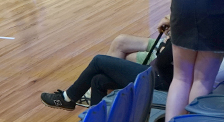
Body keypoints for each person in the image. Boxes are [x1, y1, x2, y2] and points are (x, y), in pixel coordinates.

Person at [41, 40, 173, 109]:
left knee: (99, 61)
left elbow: (162, 61)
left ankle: (68, 98)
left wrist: (163, 45)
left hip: (158, 78)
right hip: (157, 75)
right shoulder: (187, 26)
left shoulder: (185, 30)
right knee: (98, 80)